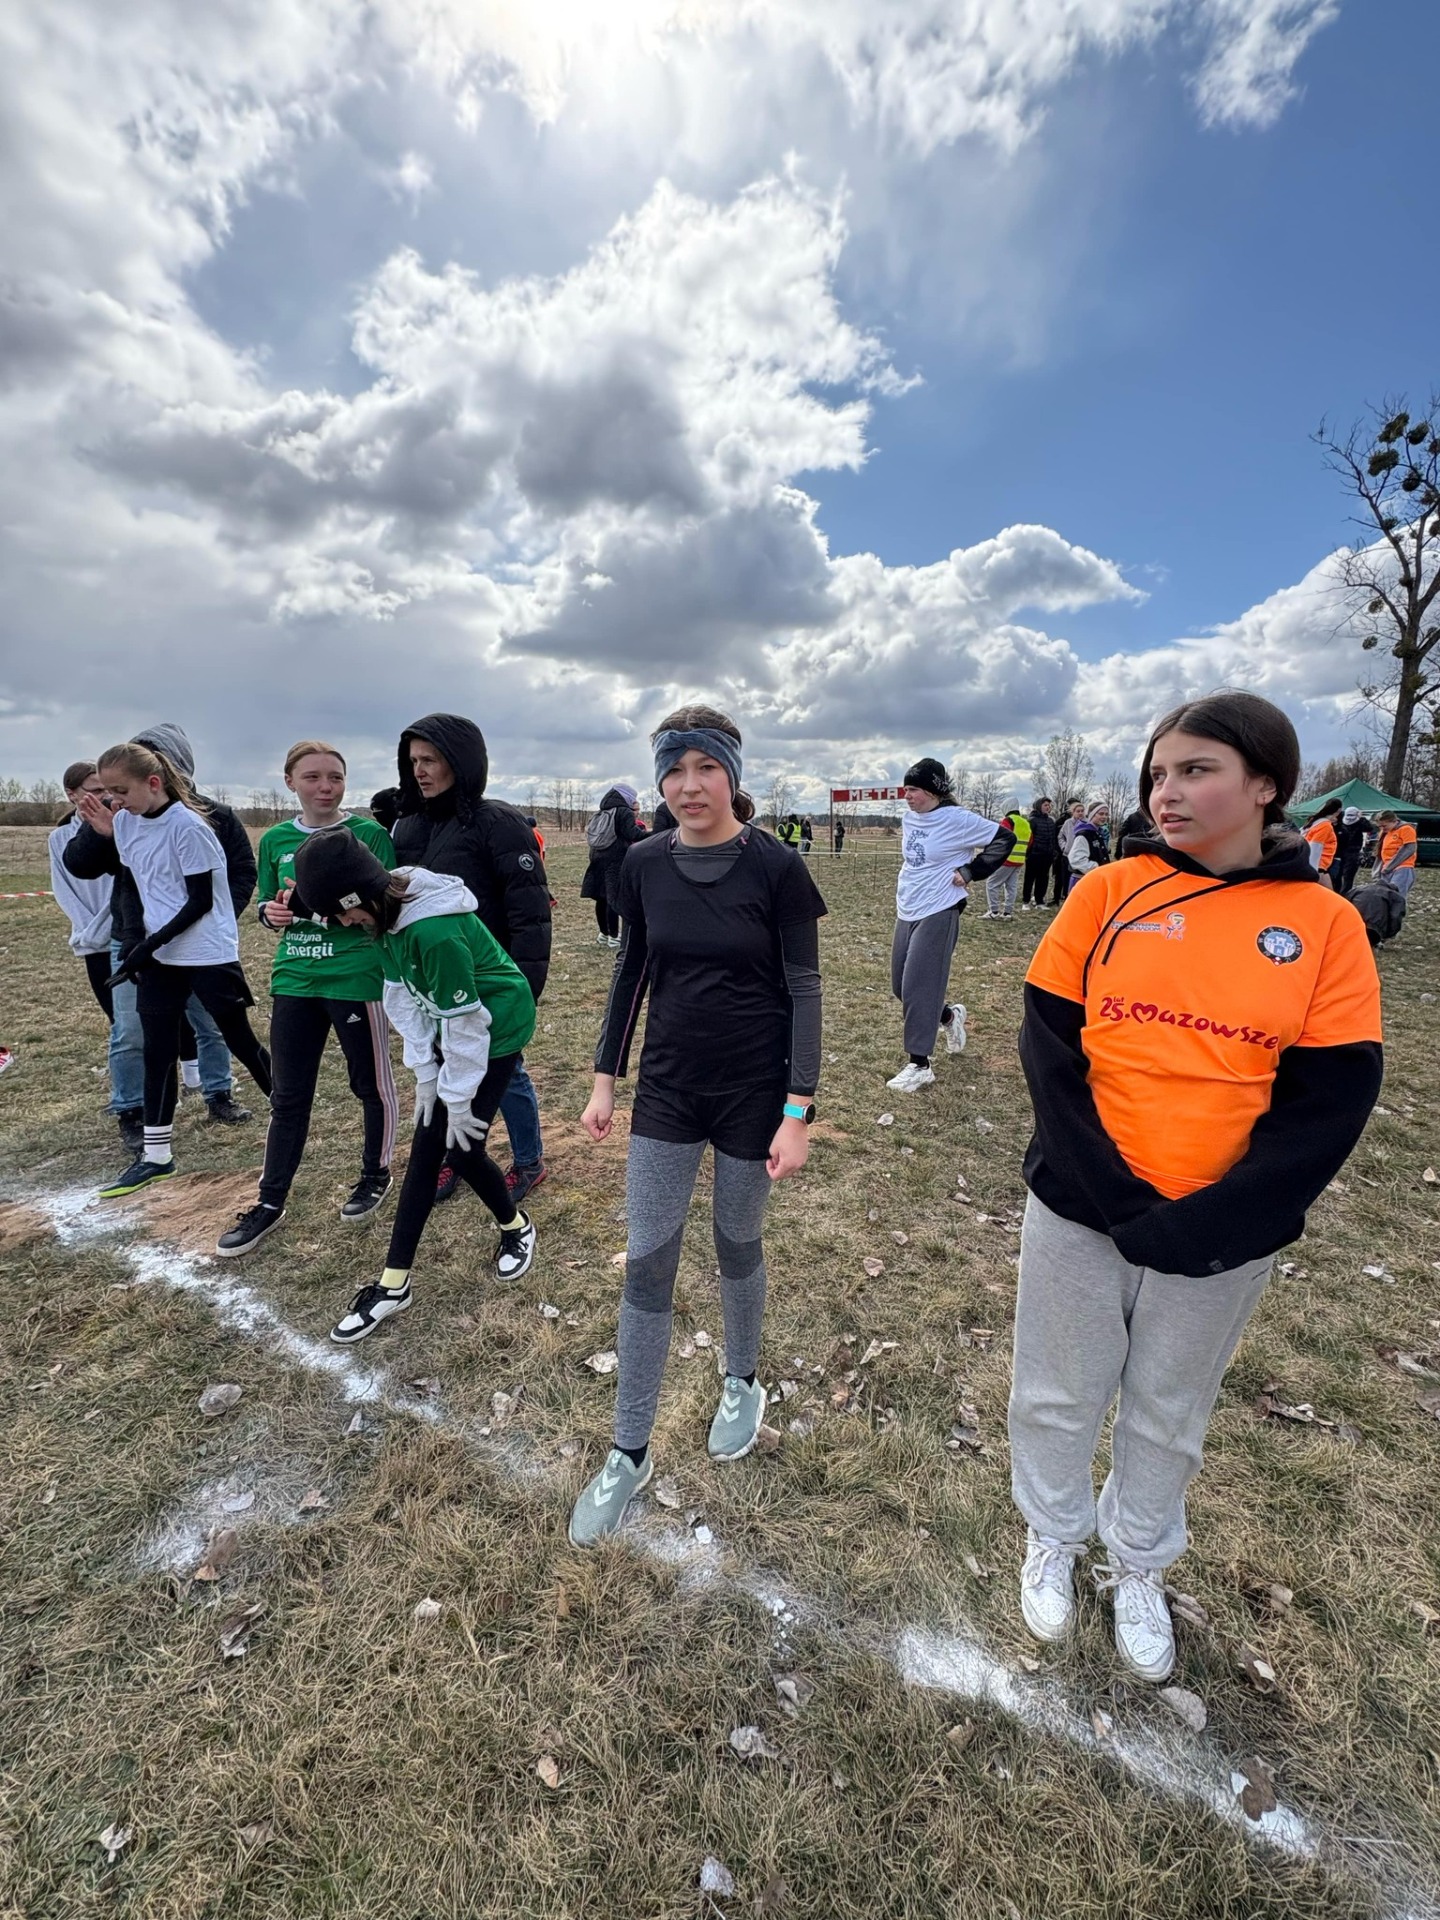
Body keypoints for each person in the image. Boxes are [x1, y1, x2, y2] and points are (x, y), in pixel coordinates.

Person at [1009, 690, 1382, 1682]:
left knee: (1168, 1411)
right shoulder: (1108, 892)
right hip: (1081, 1209)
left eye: (1195, 770)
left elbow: (1331, 1101)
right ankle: (1053, 1533)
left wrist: (1219, 1219)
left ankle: (1137, 1560)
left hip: (1220, 1236)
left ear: (1266, 785)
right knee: (1056, 1394)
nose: (1165, 792)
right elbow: (1049, 1053)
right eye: (1158, 773)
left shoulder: (1325, 923)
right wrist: (1114, 1197)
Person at [568, 704, 825, 1546]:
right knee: (648, 1260)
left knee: (735, 1242)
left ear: (731, 775)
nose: (689, 785)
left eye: (705, 767)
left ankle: (741, 1379)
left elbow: (805, 990)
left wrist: (798, 1109)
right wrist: (605, 1082)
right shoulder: (643, 863)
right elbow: (630, 974)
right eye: (673, 771)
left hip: (755, 1095)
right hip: (669, 1093)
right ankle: (628, 1451)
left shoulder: (777, 866)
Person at [289, 831, 538, 1343]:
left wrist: (458, 1097)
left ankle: (505, 1233)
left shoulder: (433, 932)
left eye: (341, 914)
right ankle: (404, 1279)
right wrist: (426, 1075)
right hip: (455, 1023)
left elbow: (466, 1023)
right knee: (438, 1148)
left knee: (455, 1148)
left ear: (356, 898)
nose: (343, 924)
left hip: (496, 1027)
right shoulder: (383, 919)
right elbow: (402, 996)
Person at [215, 743, 401, 1258]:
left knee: (370, 1084)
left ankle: (376, 1174)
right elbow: (267, 903)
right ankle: (270, 1201)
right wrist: (271, 914)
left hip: (356, 978)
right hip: (294, 978)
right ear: (290, 782)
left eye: (335, 777)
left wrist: (314, 908)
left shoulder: (369, 836)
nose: (326, 787)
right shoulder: (276, 839)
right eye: (313, 777)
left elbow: (384, 905)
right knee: (288, 1095)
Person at [75, 742, 273, 1198]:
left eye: (120, 790)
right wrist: (136, 943)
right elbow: (138, 886)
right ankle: (157, 1155)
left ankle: (290, 1115)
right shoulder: (125, 822)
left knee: (240, 1040)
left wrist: (148, 946)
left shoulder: (189, 827)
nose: (113, 800)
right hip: (159, 955)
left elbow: (200, 902)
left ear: (153, 783)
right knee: (158, 1050)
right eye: (107, 791)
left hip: (206, 951)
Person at [390, 715, 552, 1209]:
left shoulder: (498, 823)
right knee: (445, 1066)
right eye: (413, 761)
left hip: (492, 978)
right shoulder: (406, 826)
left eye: (431, 760)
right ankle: (454, 1155)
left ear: (461, 763)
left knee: (508, 1073)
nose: (420, 771)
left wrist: (524, 986)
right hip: (436, 976)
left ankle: (529, 1159)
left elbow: (529, 914)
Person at [886, 759, 1002, 1094]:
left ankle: (919, 1065)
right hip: (908, 906)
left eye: (914, 790)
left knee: (919, 986)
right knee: (902, 987)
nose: (907, 796)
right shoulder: (910, 818)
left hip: (940, 907)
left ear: (934, 790)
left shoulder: (958, 819)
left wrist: (971, 872)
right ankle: (950, 1017)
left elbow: (1003, 840)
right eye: (905, 789)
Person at [48, 761, 116, 1024]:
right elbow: (63, 890)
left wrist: (109, 924)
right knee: (115, 1017)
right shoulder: (59, 838)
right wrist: (90, 931)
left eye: (108, 789)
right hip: (91, 941)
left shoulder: (120, 826)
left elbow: (122, 885)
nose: (105, 796)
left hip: (122, 933)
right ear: (72, 794)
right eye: (96, 790)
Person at [581, 784, 647, 946]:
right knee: (614, 897)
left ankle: (603, 934)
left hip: (597, 857)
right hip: (615, 858)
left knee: (601, 897)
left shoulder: (603, 812)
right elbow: (632, 834)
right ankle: (614, 936)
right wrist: (654, 835)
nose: (633, 801)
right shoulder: (623, 812)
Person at [985, 806, 1030, 919]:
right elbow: (1030, 841)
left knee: (992, 884)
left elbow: (1001, 838)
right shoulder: (1025, 823)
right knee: (1011, 887)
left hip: (1007, 859)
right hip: (1019, 860)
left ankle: (993, 911)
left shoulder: (1008, 821)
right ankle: (1008, 913)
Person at [1374, 810, 1418, 899]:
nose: (1382, 828)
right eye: (1380, 826)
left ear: (1394, 821)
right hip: (1386, 868)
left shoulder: (1406, 829)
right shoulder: (1386, 832)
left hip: (1402, 867)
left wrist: (1390, 865)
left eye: (1384, 826)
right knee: (1385, 896)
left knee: (1397, 896)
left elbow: (1409, 848)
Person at [1332, 805, 1375, 896]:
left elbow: (1369, 828)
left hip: (1349, 851)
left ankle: (1343, 894)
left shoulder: (1358, 823)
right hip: (1343, 851)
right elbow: (1370, 828)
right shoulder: (1345, 822)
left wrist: (1361, 818)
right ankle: (1340, 893)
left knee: (1346, 875)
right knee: (1341, 875)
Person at [1021, 798, 1056, 910]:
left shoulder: (1051, 821)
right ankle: (1026, 901)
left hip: (1047, 854)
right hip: (1034, 855)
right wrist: (1029, 852)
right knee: (1030, 878)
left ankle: (1039, 901)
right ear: (1039, 806)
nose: (1048, 807)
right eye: (1045, 805)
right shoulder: (1032, 821)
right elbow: (1028, 838)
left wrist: (1053, 851)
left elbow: (1053, 838)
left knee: (1043, 878)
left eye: (1049, 805)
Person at [1066, 802, 1109, 889]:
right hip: (1082, 881)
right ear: (1092, 815)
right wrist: (1097, 868)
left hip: (1093, 879)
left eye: (1106, 814)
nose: (1104, 817)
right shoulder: (1084, 834)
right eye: (1101, 814)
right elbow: (1076, 859)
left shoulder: (1097, 833)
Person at [1303, 797, 1342, 887]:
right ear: (1338, 811)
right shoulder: (1325, 826)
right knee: (1327, 893)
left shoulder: (1315, 822)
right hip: (1318, 866)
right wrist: (1312, 871)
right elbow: (1315, 847)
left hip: (1317, 866)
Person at [1052, 799, 1084, 905]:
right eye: (1078, 811)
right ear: (1073, 812)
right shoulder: (1068, 823)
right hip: (1067, 855)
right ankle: (1066, 899)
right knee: (1066, 879)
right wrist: (1064, 847)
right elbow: (1060, 836)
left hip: (1081, 856)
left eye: (1082, 811)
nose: (1080, 813)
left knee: (1079, 879)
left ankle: (1077, 901)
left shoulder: (1087, 823)